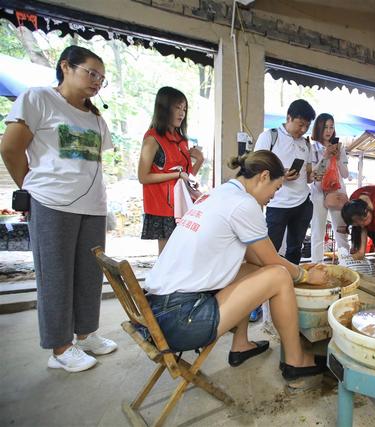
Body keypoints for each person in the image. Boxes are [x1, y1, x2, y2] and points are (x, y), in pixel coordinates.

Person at [143, 150, 329, 380]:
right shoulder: (243, 204)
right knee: (279, 276)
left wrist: (299, 270)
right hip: (182, 321)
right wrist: (304, 275)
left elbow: (257, 260)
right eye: (276, 188)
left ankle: (240, 345)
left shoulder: (218, 194)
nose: (274, 195)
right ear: (263, 176)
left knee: (251, 271)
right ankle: (295, 361)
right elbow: (272, 262)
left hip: (155, 312)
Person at [0, 46, 117, 372]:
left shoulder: (95, 116)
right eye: (91, 73)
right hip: (51, 203)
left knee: (89, 274)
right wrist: (33, 188)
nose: (96, 82)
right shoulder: (37, 99)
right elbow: (10, 148)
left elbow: (95, 163)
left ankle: (85, 334)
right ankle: (60, 347)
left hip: (92, 206)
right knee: (56, 275)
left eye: (101, 79)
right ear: (66, 66)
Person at [138, 87, 204, 254]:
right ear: (164, 107)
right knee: (167, 256)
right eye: (177, 107)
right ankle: (162, 281)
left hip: (183, 204)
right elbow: (143, 176)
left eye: (184, 109)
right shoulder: (153, 138)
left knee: (182, 254)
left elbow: (188, 179)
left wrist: (200, 161)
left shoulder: (181, 140)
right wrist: (177, 174)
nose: (181, 113)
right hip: (163, 206)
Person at [254, 99, 316, 264]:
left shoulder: (306, 144)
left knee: (295, 248)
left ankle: (292, 282)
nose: (303, 130)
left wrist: (314, 175)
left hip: (302, 202)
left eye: (307, 126)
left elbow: (308, 174)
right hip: (277, 203)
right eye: (300, 124)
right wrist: (281, 173)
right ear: (289, 117)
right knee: (271, 248)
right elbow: (256, 167)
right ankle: (268, 282)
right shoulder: (270, 136)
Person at [309, 113, 349, 263]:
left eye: (331, 127)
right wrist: (325, 156)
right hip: (318, 193)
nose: (329, 131)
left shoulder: (340, 148)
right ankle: (316, 267)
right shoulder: (312, 149)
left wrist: (338, 159)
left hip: (338, 192)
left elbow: (344, 174)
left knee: (341, 231)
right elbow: (315, 176)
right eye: (325, 127)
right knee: (317, 232)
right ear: (318, 128)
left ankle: (347, 265)